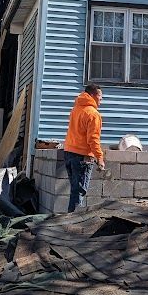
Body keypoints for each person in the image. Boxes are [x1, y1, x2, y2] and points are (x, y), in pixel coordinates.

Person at [62, 84, 105, 212]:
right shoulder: (93, 114)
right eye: (100, 96)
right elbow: (93, 139)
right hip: (82, 157)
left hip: (69, 153)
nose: (101, 100)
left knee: (74, 191)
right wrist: (100, 157)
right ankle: (73, 224)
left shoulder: (76, 109)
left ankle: (71, 221)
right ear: (92, 95)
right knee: (79, 193)